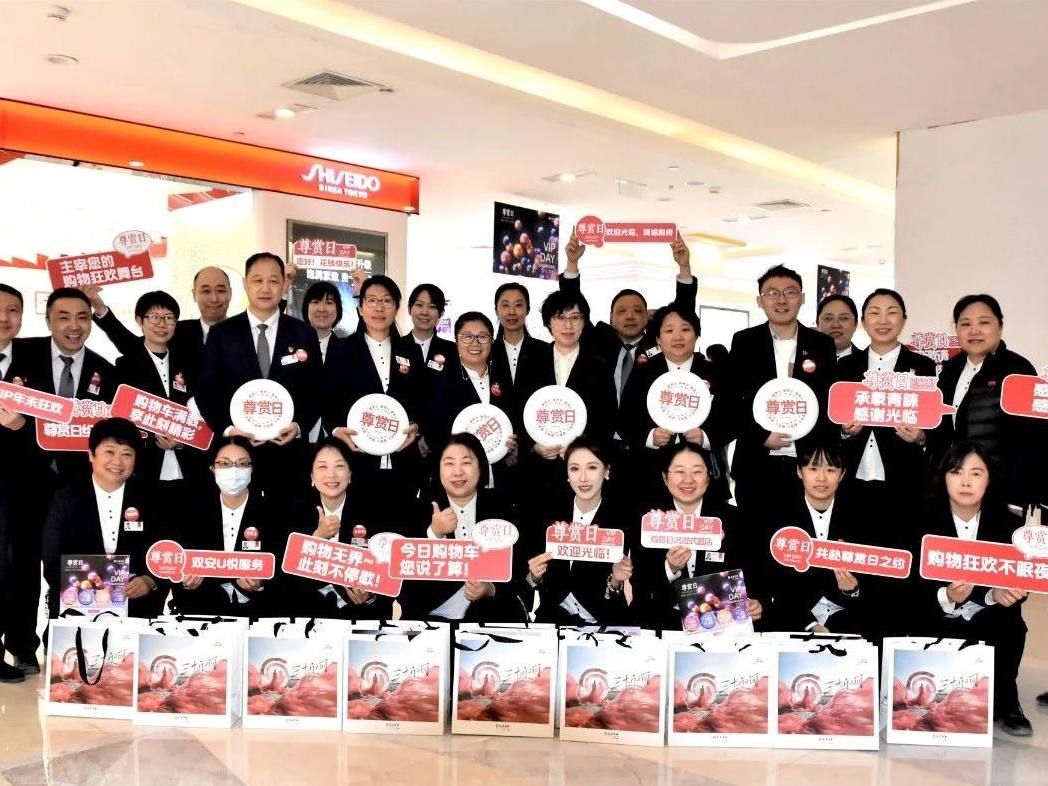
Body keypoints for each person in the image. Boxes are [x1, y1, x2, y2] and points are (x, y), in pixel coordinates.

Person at [911, 442, 1031, 737]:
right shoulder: (919, 520)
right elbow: (908, 585)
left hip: (984, 610)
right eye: (957, 472)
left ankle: (1006, 701)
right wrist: (947, 596)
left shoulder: (1010, 525)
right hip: (933, 609)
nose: (965, 482)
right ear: (944, 478)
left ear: (989, 479)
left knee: (1012, 624)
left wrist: (999, 594)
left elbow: (1021, 579)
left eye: (976, 474)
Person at [196, 252, 323, 495]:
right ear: (245, 284)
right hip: (236, 454)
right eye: (257, 280)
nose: (265, 288)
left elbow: (316, 390)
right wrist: (229, 429)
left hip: (289, 454)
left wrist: (298, 426)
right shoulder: (222, 333)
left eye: (273, 281)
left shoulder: (304, 333)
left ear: (285, 285)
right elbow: (207, 391)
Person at [725, 265, 836, 511]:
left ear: (802, 298)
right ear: (760, 301)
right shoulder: (745, 342)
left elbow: (827, 402)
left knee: (803, 532)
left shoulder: (822, 344)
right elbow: (730, 401)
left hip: (808, 466)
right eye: (772, 293)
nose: (782, 300)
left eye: (790, 292)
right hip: (756, 463)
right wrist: (762, 436)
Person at [631, 442, 767, 632]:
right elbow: (640, 585)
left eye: (697, 471)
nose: (688, 480)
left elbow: (754, 576)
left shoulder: (735, 519)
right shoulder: (650, 521)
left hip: (721, 628)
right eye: (679, 471)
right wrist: (670, 568)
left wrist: (756, 604)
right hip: (662, 625)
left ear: (708, 477)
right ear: (665, 478)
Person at [41, 418, 167, 622]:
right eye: (110, 452)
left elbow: (163, 548)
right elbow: (51, 557)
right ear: (91, 454)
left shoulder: (151, 499)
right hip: (75, 611)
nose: (117, 461)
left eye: (126, 454)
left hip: (137, 613)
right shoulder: (66, 498)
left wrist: (149, 580)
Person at [397, 434, 526, 623]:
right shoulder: (418, 511)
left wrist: (490, 589)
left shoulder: (502, 508)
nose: (458, 472)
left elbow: (519, 571)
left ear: (481, 466)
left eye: (466, 462)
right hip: (431, 622)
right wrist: (434, 534)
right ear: (438, 468)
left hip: (488, 620)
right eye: (449, 463)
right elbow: (405, 588)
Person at [928, 294, 1040, 508]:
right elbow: (944, 430)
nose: (974, 331)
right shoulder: (950, 369)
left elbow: (1030, 440)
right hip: (953, 487)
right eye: (965, 324)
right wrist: (922, 438)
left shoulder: (1018, 370)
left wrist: (1019, 496)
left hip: (1000, 491)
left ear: (1000, 326)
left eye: (984, 322)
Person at [561, 231, 698, 401]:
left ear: (647, 317)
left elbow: (683, 314)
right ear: (611, 317)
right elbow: (572, 306)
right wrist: (572, 263)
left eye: (638, 311)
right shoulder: (596, 341)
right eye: (622, 311)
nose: (630, 316)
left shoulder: (658, 346)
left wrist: (684, 267)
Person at [323, 275, 425, 499]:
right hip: (356, 459)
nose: (379, 308)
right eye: (372, 301)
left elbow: (421, 399)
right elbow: (328, 401)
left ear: (397, 307)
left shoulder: (411, 351)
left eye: (387, 301)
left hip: (403, 460)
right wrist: (336, 429)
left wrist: (417, 427)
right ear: (361, 309)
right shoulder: (341, 350)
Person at [836, 289, 936, 511]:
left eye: (891, 312)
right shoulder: (845, 366)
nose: (883, 320)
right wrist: (844, 431)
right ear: (863, 322)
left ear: (904, 320)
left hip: (904, 482)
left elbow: (936, 425)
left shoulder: (923, 366)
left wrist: (921, 438)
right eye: (874, 313)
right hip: (851, 479)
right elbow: (831, 419)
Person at [618, 304, 729, 501]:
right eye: (669, 331)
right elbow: (625, 417)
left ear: (696, 334)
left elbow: (732, 416)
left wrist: (705, 437)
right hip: (649, 475)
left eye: (685, 329)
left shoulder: (714, 372)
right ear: (658, 339)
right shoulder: (643, 373)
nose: (678, 337)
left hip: (703, 475)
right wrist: (650, 437)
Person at [518, 438, 633, 626]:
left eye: (592, 468)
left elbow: (617, 593)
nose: (583, 478)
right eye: (574, 469)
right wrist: (534, 576)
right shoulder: (546, 515)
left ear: (607, 471)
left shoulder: (621, 521)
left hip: (602, 622)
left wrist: (616, 581)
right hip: (552, 620)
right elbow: (527, 583)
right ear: (567, 474)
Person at [91, 290, 199, 489]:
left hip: (189, 469)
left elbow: (200, 415)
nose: (162, 324)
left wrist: (182, 441)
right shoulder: (126, 366)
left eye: (169, 318)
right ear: (140, 321)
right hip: (144, 469)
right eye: (155, 317)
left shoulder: (189, 366)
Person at [761, 443, 871, 636]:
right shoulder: (776, 519)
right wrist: (811, 625)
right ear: (799, 471)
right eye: (813, 469)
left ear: (842, 475)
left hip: (849, 623)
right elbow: (774, 584)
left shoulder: (863, 519)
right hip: (792, 621)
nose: (821, 478)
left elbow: (875, 584)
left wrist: (851, 590)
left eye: (831, 470)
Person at [170, 437, 281, 617]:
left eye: (242, 464)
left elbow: (283, 570)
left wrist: (262, 583)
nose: (234, 471)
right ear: (212, 468)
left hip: (257, 614)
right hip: (202, 613)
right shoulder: (191, 514)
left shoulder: (273, 514)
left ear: (252, 469)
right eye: (225, 463)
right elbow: (175, 563)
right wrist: (184, 579)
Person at [283, 438, 393, 619]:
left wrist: (371, 595)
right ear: (312, 477)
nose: (331, 475)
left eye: (339, 466)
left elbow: (389, 573)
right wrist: (316, 540)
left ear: (350, 475)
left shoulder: (374, 513)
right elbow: (285, 582)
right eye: (322, 467)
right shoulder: (293, 514)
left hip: (359, 618)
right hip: (307, 616)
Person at [515, 289, 617, 478]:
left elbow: (607, 419)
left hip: (584, 469)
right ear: (548, 322)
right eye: (560, 317)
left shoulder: (599, 366)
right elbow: (518, 410)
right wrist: (533, 446)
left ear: (584, 321)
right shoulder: (531, 362)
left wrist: (580, 447)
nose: (568, 325)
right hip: (539, 469)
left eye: (575, 317)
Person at [84, 265, 231, 389]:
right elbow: (132, 347)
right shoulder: (177, 331)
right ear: (194, 294)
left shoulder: (244, 332)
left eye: (221, 290)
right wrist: (100, 308)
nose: (214, 298)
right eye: (206, 291)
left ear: (230, 292)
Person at [424, 312, 518, 480]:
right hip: (457, 478)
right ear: (456, 341)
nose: (475, 343)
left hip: (500, 478)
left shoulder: (503, 380)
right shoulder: (440, 382)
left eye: (482, 337)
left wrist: (513, 446)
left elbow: (513, 423)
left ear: (491, 341)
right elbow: (433, 434)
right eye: (467, 337)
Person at [0, 283, 36, 680]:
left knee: (24, 566)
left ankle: (23, 645)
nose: (3, 318)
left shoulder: (34, 359)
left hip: (27, 484)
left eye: (12, 310)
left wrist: (22, 426)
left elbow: (52, 422)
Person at [301, 280, 345, 442]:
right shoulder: (293, 346)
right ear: (306, 308)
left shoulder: (347, 349)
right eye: (315, 302)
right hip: (297, 434)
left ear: (338, 309)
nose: (322, 308)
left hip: (336, 435)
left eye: (329, 302)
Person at [489, 282, 548, 395]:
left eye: (518, 305)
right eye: (505, 305)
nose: (512, 312)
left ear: (528, 309)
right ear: (496, 310)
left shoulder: (545, 351)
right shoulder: (488, 352)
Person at [402, 283, 457, 372]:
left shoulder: (452, 350)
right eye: (419, 305)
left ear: (441, 313)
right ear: (409, 309)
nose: (424, 312)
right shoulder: (395, 346)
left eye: (432, 307)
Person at [817, 294, 860, 359]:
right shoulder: (802, 359)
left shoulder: (869, 362)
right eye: (828, 318)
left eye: (844, 318)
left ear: (855, 324)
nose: (835, 325)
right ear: (818, 324)